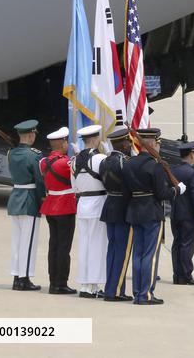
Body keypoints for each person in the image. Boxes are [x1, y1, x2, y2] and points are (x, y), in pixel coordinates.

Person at [123, 127, 186, 305]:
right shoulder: (155, 165)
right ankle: (146, 294)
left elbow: (127, 192)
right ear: (154, 144)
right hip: (151, 212)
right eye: (158, 143)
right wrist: (177, 190)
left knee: (138, 254)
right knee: (149, 255)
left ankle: (137, 292)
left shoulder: (129, 163)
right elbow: (162, 193)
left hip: (135, 212)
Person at [7, 119, 45, 292]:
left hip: (15, 198)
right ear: (31, 135)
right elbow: (39, 180)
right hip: (29, 199)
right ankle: (25, 279)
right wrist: (42, 200)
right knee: (28, 242)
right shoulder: (35, 155)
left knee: (17, 241)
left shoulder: (11, 153)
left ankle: (16, 276)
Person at [40, 127, 77, 295]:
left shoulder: (42, 162)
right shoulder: (66, 162)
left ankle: (53, 281)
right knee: (63, 247)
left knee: (53, 245)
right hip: (65, 206)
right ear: (63, 143)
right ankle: (61, 283)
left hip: (51, 205)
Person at [72, 124, 108, 298]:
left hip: (82, 204)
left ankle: (85, 284)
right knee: (96, 246)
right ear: (95, 139)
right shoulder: (100, 159)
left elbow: (75, 187)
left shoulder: (74, 160)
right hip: (98, 203)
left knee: (84, 245)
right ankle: (92, 285)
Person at [99, 126, 134, 302]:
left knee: (112, 250)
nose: (130, 144)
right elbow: (130, 187)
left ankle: (109, 288)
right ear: (123, 144)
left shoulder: (104, 161)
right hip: (122, 208)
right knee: (122, 251)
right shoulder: (124, 162)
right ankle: (116, 290)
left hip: (109, 206)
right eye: (128, 142)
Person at [170, 142, 194, 286]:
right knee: (187, 245)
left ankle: (177, 274)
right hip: (188, 215)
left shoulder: (173, 170)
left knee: (177, 243)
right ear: (191, 154)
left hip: (175, 213)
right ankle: (186, 275)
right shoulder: (193, 172)